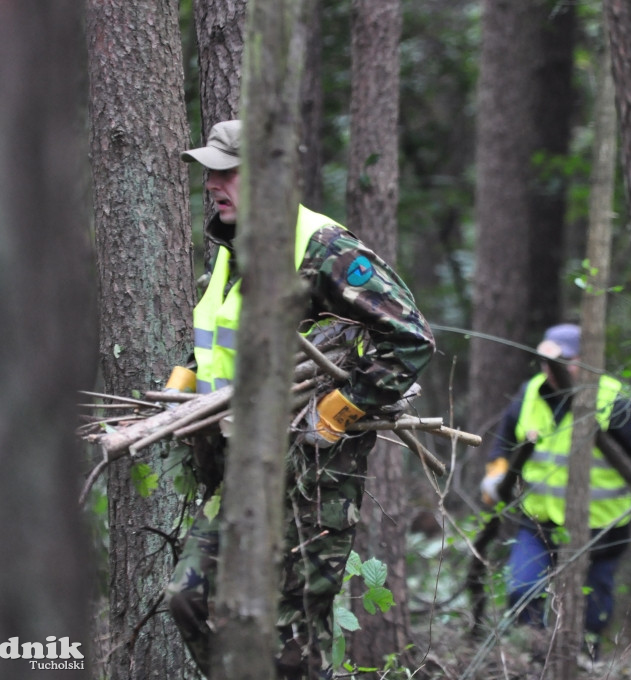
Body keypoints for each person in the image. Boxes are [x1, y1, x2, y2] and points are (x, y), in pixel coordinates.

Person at [164, 120, 435, 679]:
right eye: (210, 172)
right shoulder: (229, 244)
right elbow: (220, 342)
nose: (213, 184)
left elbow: (411, 337)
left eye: (227, 172)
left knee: (293, 644)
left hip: (313, 475)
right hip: (240, 471)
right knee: (188, 597)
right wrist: (182, 386)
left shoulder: (322, 247)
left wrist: (341, 410)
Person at [479, 323, 631, 659]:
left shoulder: (613, 400)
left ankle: (583, 661)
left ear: (585, 359)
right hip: (538, 521)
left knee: (592, 608)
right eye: (546, 361)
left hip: (601, 529)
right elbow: (502, 445)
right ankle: (534, 659)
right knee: (521, 588)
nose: (552, 369)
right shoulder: (529, 393)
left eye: (564, 360)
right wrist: (496, 474)